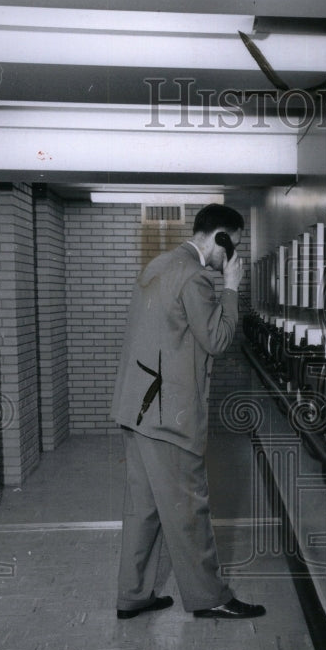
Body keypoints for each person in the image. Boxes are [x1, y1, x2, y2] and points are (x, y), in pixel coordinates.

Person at [111, 204, 266, 620]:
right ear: (220, 237)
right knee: (189, 510)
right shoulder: (197, 277)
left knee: (142, 510)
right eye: (233, 244)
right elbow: (216, 339)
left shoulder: (158, 265)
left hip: (136, 408)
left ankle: (133, 594)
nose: (232, 255)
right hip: (168, 416)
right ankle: (209, 597)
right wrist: (231, 287)